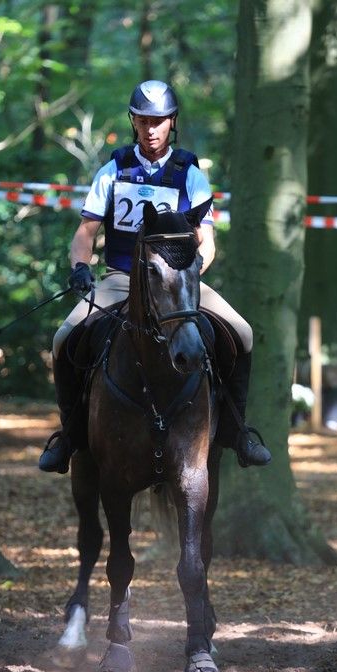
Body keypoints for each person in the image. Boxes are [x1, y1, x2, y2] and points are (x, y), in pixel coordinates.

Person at [39, 80, 271, 474]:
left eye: (158, 121)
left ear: (172, 122)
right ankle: (69, 436)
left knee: (243, 333)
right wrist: (80, 267)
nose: (151, 129)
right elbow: (85, 233)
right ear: (133, 121)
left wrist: (187, 274)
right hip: (120, 279)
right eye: (143, 121)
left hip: (176, 285)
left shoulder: (190, 175)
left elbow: (207, 242)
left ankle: (237, 432)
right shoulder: (113, 171)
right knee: (64, 338)